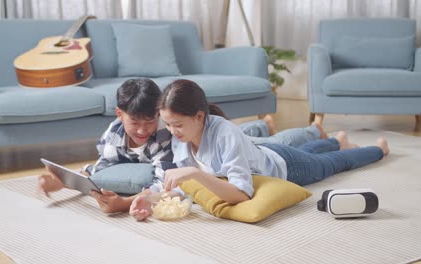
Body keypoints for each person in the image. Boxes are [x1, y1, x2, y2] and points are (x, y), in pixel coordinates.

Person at [37, 78, 327, 213]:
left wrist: (128, 203)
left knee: (298, 146)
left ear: (159, 116)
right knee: (276, 140)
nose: (142, 130)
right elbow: (106, 168)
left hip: (271, 159)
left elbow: (176, 180)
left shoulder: (172, 133)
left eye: (150, 121)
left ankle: (317, 131)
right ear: (119, 115)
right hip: (249, 150)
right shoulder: (124, 132)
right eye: (133, 122)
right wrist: (68, 181)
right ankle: (299, 131)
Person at [129, 79, 389, 220]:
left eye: (178, 125)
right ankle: (336, 139)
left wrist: (194, 174)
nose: (172, 132)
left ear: (199, 116)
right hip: (263, 152)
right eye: (169, 125)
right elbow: (176, 184)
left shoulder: (224, 133)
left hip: (285, 166)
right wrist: (148, 199)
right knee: (312, 151)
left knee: (333, 163)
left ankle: (377, 149)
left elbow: (241, 194)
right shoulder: (181, 136)